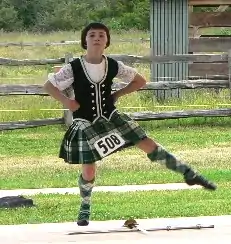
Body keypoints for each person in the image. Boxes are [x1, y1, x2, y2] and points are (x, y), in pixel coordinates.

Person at [44, 22, 217, 227]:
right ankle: (85, 205)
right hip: (86, 121)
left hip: (111, 116)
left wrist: (117, 94)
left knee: (147, 143)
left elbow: (140, 81)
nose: (97, 38)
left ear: (107, 41)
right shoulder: (73, 67)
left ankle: (189, 173)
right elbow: (49, 85)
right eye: (92, 35)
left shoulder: (113, 65)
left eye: (101, 35)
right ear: (85, 40)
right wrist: (67, 102)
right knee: (89, 169)